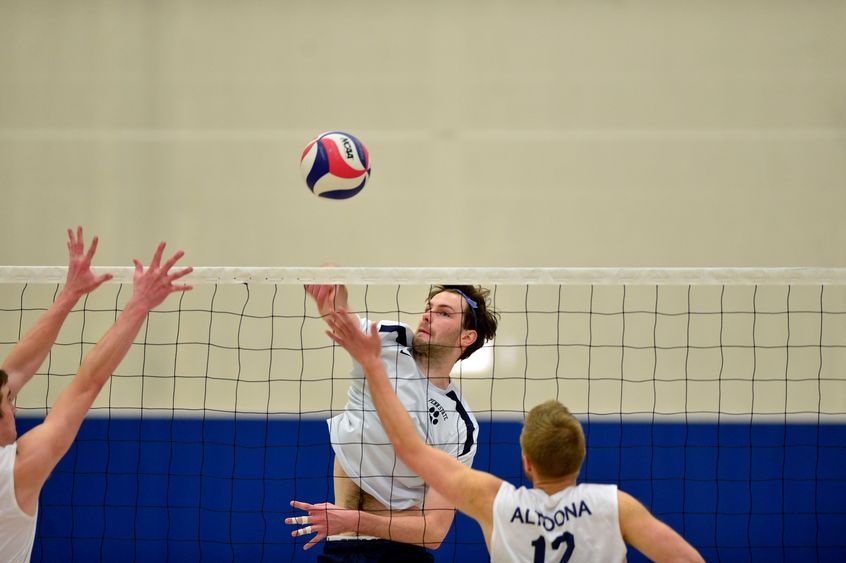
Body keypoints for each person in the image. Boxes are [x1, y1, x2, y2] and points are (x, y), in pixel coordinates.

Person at [320, 308, 706, 563]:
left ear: (526, 462)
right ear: (581, 457)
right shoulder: (612, 505)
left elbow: (410, 447)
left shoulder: (498, 505)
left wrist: (372, 363)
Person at [0, 228, 192, 562]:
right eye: (8, 403)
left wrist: (70, 293)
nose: (14, 407)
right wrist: (139, 304)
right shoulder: (16, 474)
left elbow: (13, 372)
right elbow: (86, 384)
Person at [286, 283, 498, 561]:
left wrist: (353, 521)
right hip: (339, 546)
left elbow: (433, 531)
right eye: (428, 308)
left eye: (444, 313)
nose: (427, 316)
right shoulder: (389, 340)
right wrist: (332, 297)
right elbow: (341, 318)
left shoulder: (459, 424)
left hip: (396, 554)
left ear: (467, 337)